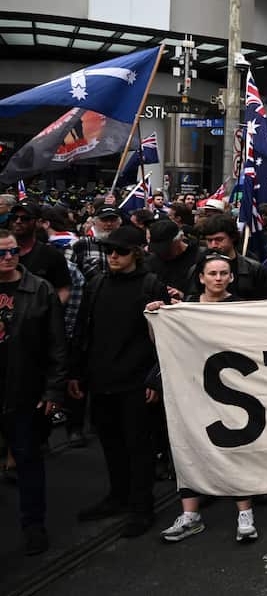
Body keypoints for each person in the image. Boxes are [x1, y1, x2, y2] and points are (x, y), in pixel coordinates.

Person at [67, 225, 170, 538]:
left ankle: (141, 506)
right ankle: (118, 496)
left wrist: (155, 379)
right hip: (101, 379)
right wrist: (76, 372)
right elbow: (83, 330)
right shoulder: (97, 283)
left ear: (136, 253)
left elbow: (165, 338)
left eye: (120, 251)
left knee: (139, 446)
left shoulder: (151, 285)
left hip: (137, 382)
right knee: (110, 443)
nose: (113, 256)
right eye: (109, 250)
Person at [152, 254, 258, 544]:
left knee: (235, 448)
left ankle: (245, 514)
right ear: (201, 277)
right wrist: (157, 317)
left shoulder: (240, 307)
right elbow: (161, 341)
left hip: (231, 391)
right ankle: (190, 515)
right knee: (188, 447)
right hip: (191, 389)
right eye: (212, 273)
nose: (218, 278)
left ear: (232, 277)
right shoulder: (184, 307)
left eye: (224, 273)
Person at [0, 228, 66, 555]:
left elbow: (57, 344)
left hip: (24, 390)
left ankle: (34, 525)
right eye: (2, 253)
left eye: (13, 251)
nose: (9, 257)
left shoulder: (39, 289)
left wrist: (53, 390)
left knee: (28, 461)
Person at [190, 216, 265, 300]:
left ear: (233, 238)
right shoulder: (197, 269)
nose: (213, 245)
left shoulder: (253, 269)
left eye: (219, 239)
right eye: (209, 240)